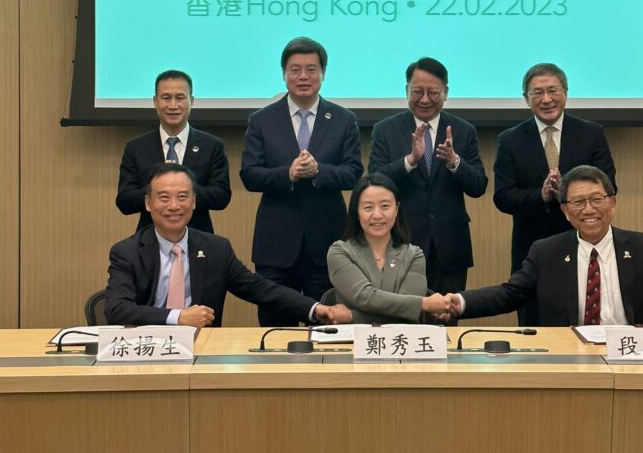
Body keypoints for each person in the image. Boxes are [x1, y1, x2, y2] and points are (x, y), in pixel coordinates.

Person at [105, 164, 352, 328]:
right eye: (164, 198)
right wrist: (179, 317)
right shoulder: (127, 251)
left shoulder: (216, 249)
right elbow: (117, 309)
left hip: (201, 351)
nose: (173, 206)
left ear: (193, 202)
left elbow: (262, 289)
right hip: (145, 350)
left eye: (182, 197)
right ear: (148, 203)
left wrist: (316, 308)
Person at [445, 165, 643, 327]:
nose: (588, 210)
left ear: (612, 203)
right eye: (578, 202)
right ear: (566, 211)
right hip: (571, 355)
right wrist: (459, 302)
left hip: (632, 357)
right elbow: (510, 294)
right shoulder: (547, 252)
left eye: (596, 200)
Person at [240, 36, 363, 326]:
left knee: (327, 331)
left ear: (323, 74)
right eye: (295, 69)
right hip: (276, 248)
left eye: (311, 69)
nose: (303, 76)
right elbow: (249, 174)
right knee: (275, 329)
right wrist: (288, 174)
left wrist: (319, 170)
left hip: (327, 245)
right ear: (284, 73)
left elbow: (353, 172)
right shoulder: (262, 120)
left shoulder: (343, 119)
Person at [494, 62, 616, 322]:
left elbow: (610, 186)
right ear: (526, 98)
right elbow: (503, 196)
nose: (546, 99)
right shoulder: (511, 139)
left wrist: (568, 193)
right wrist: (541, 196)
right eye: (537, 92)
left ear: (566, 92)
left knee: (586, 312)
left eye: (553, 90)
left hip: (584, 240)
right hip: (531, 246)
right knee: (533, 319)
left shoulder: (591, 133)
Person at [368, 57, 487, 294]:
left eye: (433, 93)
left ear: (446, 93)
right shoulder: (385, 130)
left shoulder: (463, 131)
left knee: (446, 320)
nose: (424, 100)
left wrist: (455, 162)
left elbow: (479, 185)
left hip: (450, 248)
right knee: (402, 321)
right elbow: (374, 181)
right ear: (406, 91)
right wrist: (409, 161)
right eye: (417, 91)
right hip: (401, 243)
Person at [116, 69, 231, 234]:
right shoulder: (136, 147)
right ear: (155, 101)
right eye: (166, 98)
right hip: (148, 240)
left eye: (180, 98)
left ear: (191, 100)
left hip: (198, 237)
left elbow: (221, 197)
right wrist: (157, 189)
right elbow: (124, 202)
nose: (173, 105)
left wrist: (185, 188)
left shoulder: (212, 145)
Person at [328, 173, 453, 324]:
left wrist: (352, 317)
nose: (377, 215)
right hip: (352, 343)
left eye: (385, 206)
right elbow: (365, 298)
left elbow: (406, 315)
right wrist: (424, 304)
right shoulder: (339, 252)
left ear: (397, 209)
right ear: (356, 212)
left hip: (401, 343)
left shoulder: (414, 255)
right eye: (368, 207)